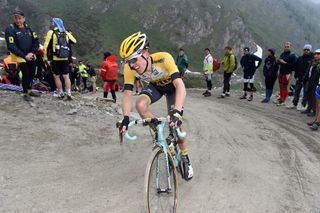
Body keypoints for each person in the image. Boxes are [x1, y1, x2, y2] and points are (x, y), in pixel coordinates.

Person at [117, 32, 193, 180]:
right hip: (156, 87)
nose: (131, 65)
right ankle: (160, 136)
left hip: (172, 88)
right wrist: (125, 117)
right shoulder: (130, 68)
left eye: (133, 60)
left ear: (145, 53)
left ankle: (185, 157)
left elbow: (180, 85)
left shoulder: (164, 58)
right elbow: (127, 94)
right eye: (127, 61)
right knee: (140, 104)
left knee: (177, 128)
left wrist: (176, 112)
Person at [5, 10, 40, 101]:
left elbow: (36, 41)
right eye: (16, 18)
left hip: (30, 54)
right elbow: (11, 46)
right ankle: (25, 93)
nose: (17, 20)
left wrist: (32, 52)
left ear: (24, 18)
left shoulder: (29, 28)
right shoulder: (10, 29)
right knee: (26, 73)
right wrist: (24, 56)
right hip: (19, 55)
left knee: (32, 72)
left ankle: (29, 90)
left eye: (19, 18)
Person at [43, 18, 76, 100]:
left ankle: (60, 93)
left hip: (55, 58)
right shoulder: (65, 33)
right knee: (66, 76)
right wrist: (67, 32)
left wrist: (45, 58)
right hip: (65, 58)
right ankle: (68, 93)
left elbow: (45, 47)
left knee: (56, 76)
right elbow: (74, 41)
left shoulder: (51, 32)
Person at [287, 44, 313, 109]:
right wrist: (296, 76)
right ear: (303, 50)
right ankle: (294, 104)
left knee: (305, 93)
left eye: (308, 50)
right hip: (299, 78)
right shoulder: (300, 58)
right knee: (296, 91)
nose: (306, 51)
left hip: (307, 79)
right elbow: (296, 68)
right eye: (305, 49)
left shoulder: (312, 60)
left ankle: (303, 105)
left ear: (310, 50)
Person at [275, 42, 297, 106]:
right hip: (281, 72)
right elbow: (280, 62)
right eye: (285, 46)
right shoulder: (282, 54)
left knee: (284, 86)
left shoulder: (292, 55)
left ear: (290, 47)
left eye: (288, 46)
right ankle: (281, 98)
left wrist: (285, 63)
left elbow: (293, 66)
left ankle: (283, 100)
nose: (286, 48)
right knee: (281, 85)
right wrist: (278, 61)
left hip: (287, 73)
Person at [307, 49, 320, 130]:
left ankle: (317, 123)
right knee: (317, 105)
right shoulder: (317, 64)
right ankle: (316, 120)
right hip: (318, 85)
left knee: (319, 105)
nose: (316, 55)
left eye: (318, 54)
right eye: (315, 54)